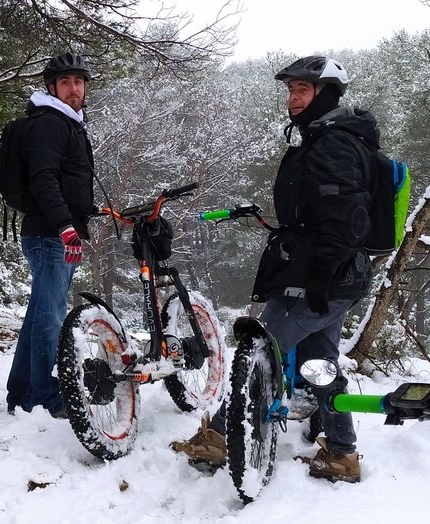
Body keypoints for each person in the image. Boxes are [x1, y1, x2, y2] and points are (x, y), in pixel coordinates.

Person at [172, 56, 376, 483]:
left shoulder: (335, 143)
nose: (292, 98)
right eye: (290, 90)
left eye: (303, 90)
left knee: (260, 349)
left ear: (327, 94)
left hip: (321, 278)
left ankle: (222, 437)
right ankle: (342, 453)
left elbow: (348, 218)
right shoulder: (325, 138)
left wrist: (322, 276)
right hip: (333, 275)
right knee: (319, 363)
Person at [5, 52, 96, 419]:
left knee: (39, 314)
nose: (74, 89)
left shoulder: (68, 124)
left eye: (78, 82)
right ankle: (46, 396)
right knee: (50, 316)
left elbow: (67, 180)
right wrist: (65, 225)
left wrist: (83, 214)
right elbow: (43, 179)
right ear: (51, 88)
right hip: (50, 235)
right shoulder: (50, 123)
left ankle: (23, 393)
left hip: (54, 231)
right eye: (65, 83)